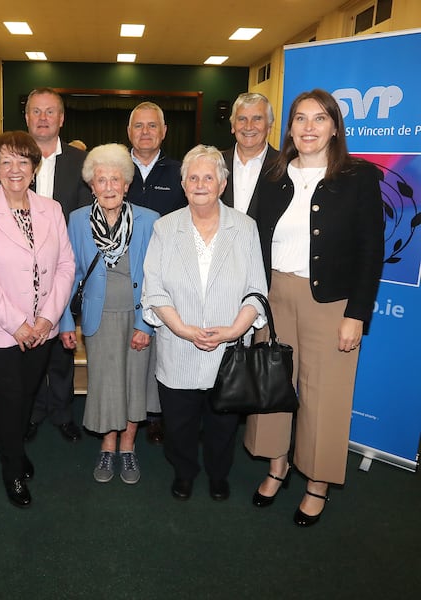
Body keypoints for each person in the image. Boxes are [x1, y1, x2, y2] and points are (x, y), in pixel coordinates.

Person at [245, 89, 383, 527]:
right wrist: (251, 302)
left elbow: (370, 250)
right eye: (300, 119)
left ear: (335, 127)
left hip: (331, 302)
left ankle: (317, 483)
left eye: (319, 119)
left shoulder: (358, 177)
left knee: (325, 395)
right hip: (275, 296)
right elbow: (250, 240)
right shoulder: (274, 174)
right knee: (273, 385)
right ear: (288, 128)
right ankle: (276, 464)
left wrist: (357, 314)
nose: (308, 127)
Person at [142, 144, 267, 502]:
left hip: (228, 351)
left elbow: (256, 291)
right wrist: (181, 328)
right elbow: (154, 290)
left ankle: (218, 473)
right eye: (192, 177)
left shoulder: (245, 228)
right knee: (178, 424)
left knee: (222, 423)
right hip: (178, 344)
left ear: (222, 184)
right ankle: (184, 472)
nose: (200, 184)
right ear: (183, 185)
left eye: (208, 177)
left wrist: (232, 331)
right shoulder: (165, 228)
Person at [0, 131, 75, 508]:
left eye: (23, 161)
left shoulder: (52, 209)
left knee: (27, 394)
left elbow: (65, 266)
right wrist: (18, 324)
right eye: (6, 162)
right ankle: (10, 468)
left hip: (42, 329)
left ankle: (15, 450)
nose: (15, 169)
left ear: (34, 167)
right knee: (9, 400)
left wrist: (46, 318)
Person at [59, 144, 159, 485]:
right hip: (97, 318)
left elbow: (156, 278)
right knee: (104, 383)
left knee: (133, 383)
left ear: (127, 184)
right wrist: (63, 322)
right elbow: (69, 273)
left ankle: (128, 446)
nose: (109, 186)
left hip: (136, 316)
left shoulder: (149, 220)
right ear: (91, 186)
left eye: (116, 179)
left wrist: (146, 323)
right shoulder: (76, 220)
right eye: (101, 180)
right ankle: (107, 443)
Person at [24, 87, 92, 443]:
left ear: (62, 119)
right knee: (31, 345)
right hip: (21, 273)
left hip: (66, 269)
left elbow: (82, 221)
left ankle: (63, 412)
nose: (43, 118)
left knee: (63, 346)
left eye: (50, 112)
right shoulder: (16, 160)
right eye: (36, 111)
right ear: (27, 117)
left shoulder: (80, 164)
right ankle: (33, 411)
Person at [126, 101, 188, 445]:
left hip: (169, 276)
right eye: (139, 126)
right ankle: (130, 410)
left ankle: (158, 415)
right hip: (126, 273)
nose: (146, 132)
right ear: (129, 131)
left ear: (164, 132)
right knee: (133, 349)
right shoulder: (116, 168)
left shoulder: (181, 172)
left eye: (153, 126)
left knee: (164, 347)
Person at [220, 92, 279, 216]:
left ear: (269, 126)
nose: (249, 126)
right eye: (242, 119)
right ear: (232, 126)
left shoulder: (284, 166)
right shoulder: (216, 164)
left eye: (257, 119)